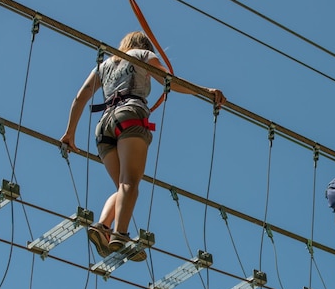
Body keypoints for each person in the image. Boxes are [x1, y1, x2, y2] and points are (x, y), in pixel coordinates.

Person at [60, 31, 226, 262]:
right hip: (130, 115)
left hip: (103, 127)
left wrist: (70, 132)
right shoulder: (143, 54)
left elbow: (81, 97)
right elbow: (170, 82)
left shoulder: (105, 64)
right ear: (143, 45)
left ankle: (103, 227)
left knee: (122, 187)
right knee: (130, 182)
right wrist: (204, 91)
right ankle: (121, 235)